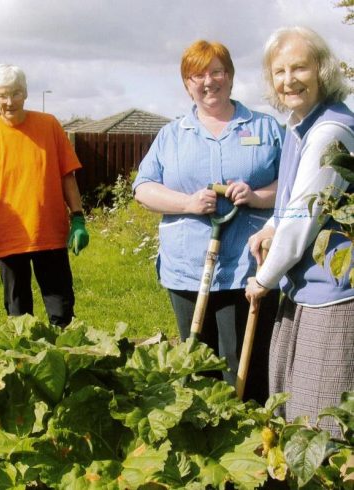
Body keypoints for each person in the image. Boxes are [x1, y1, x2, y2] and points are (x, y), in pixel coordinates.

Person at [133, 40, 284, 403]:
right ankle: (203, 437)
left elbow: (294, 185)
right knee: (197, 362)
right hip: (188, 268)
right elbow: (143, 187)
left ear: (230, 76)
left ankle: (249, 441)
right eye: (197, 75)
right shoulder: (172, 135)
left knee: (245, 364)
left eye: (216, 71)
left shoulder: (265, 129)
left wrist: (256, 196)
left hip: (249, 266)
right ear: (187, 84)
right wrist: (186, 202)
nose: (208, 81)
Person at [245, 26, 354, 435]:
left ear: (322, 71)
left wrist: (263, 278)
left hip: (334, 293)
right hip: (306, 287)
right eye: (279, 71)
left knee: (319, 413)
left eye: (299, 68)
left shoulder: (330, 131)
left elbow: (305, 219)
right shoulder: (300, 124)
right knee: (292, 397)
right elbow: (294, 200)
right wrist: (269, 226)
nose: (288, 79)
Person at [0, 64, 88, 327]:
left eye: (16, 93)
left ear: (26, 93)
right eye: (2, 95)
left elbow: (67, 175)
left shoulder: (49, 125)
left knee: (62, 311)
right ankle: (26, 367)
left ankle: (64, 362)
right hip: (8, 236)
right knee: (19, 316)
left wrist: (78, 218)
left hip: (49, 234)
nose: (10, 102)